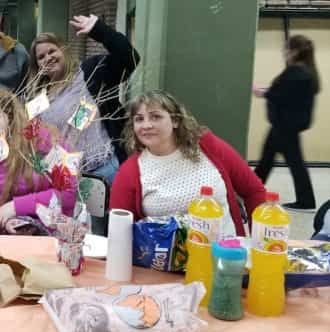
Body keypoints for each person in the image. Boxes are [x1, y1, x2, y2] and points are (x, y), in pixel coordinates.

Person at [110, 90, 266, 237]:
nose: (146, 125)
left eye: (155, 117)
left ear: (175, 121)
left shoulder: (207, 145)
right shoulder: (130, 171)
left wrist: (260, 242)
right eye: (139, 119)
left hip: (225, 252)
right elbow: (119, 232)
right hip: (164, 256)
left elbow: (254, 190)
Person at [25, 15, 140, 183]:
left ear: (63, 50)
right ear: (37, 65)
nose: (48, 58)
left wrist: (99, 30)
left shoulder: (90, 73)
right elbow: (35, 141)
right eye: (41, 57)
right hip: (68, 177)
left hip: (106, 169)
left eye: (52, 51)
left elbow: (129, 58)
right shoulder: (38, 99)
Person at [0, 88, 77, 234]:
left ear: (11, 118)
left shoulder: (46, 142)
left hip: (52, 233)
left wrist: (15, 207)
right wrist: (3, 221)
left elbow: (68, 194)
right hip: (5, 236)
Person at [253, 35, 320, 211]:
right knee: (270, 162)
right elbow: (288, 93)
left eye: (287, 49)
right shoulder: (306, 72)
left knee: (273, 162)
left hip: (284, 126)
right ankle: (252, 191)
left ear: (295, 52)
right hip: (288, 125)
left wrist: (263, 93)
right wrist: (267, 91)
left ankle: (251, 191)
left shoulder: (296, 72)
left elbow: (282, 96)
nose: (284, 53)